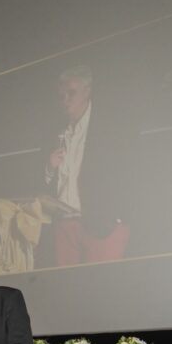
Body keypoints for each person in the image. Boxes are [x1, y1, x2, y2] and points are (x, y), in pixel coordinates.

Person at [43, 64, 130, 266]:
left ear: (87, 91)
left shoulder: (109, 125)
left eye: (71, 93)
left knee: (100, 288)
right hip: (64, 224)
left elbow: (126, 172)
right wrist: (49, 167)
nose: (65, 100)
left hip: (101, 223)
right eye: (61, 95)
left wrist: (118, 216)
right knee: (67, 290)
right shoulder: (56, 128)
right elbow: (46, 179)